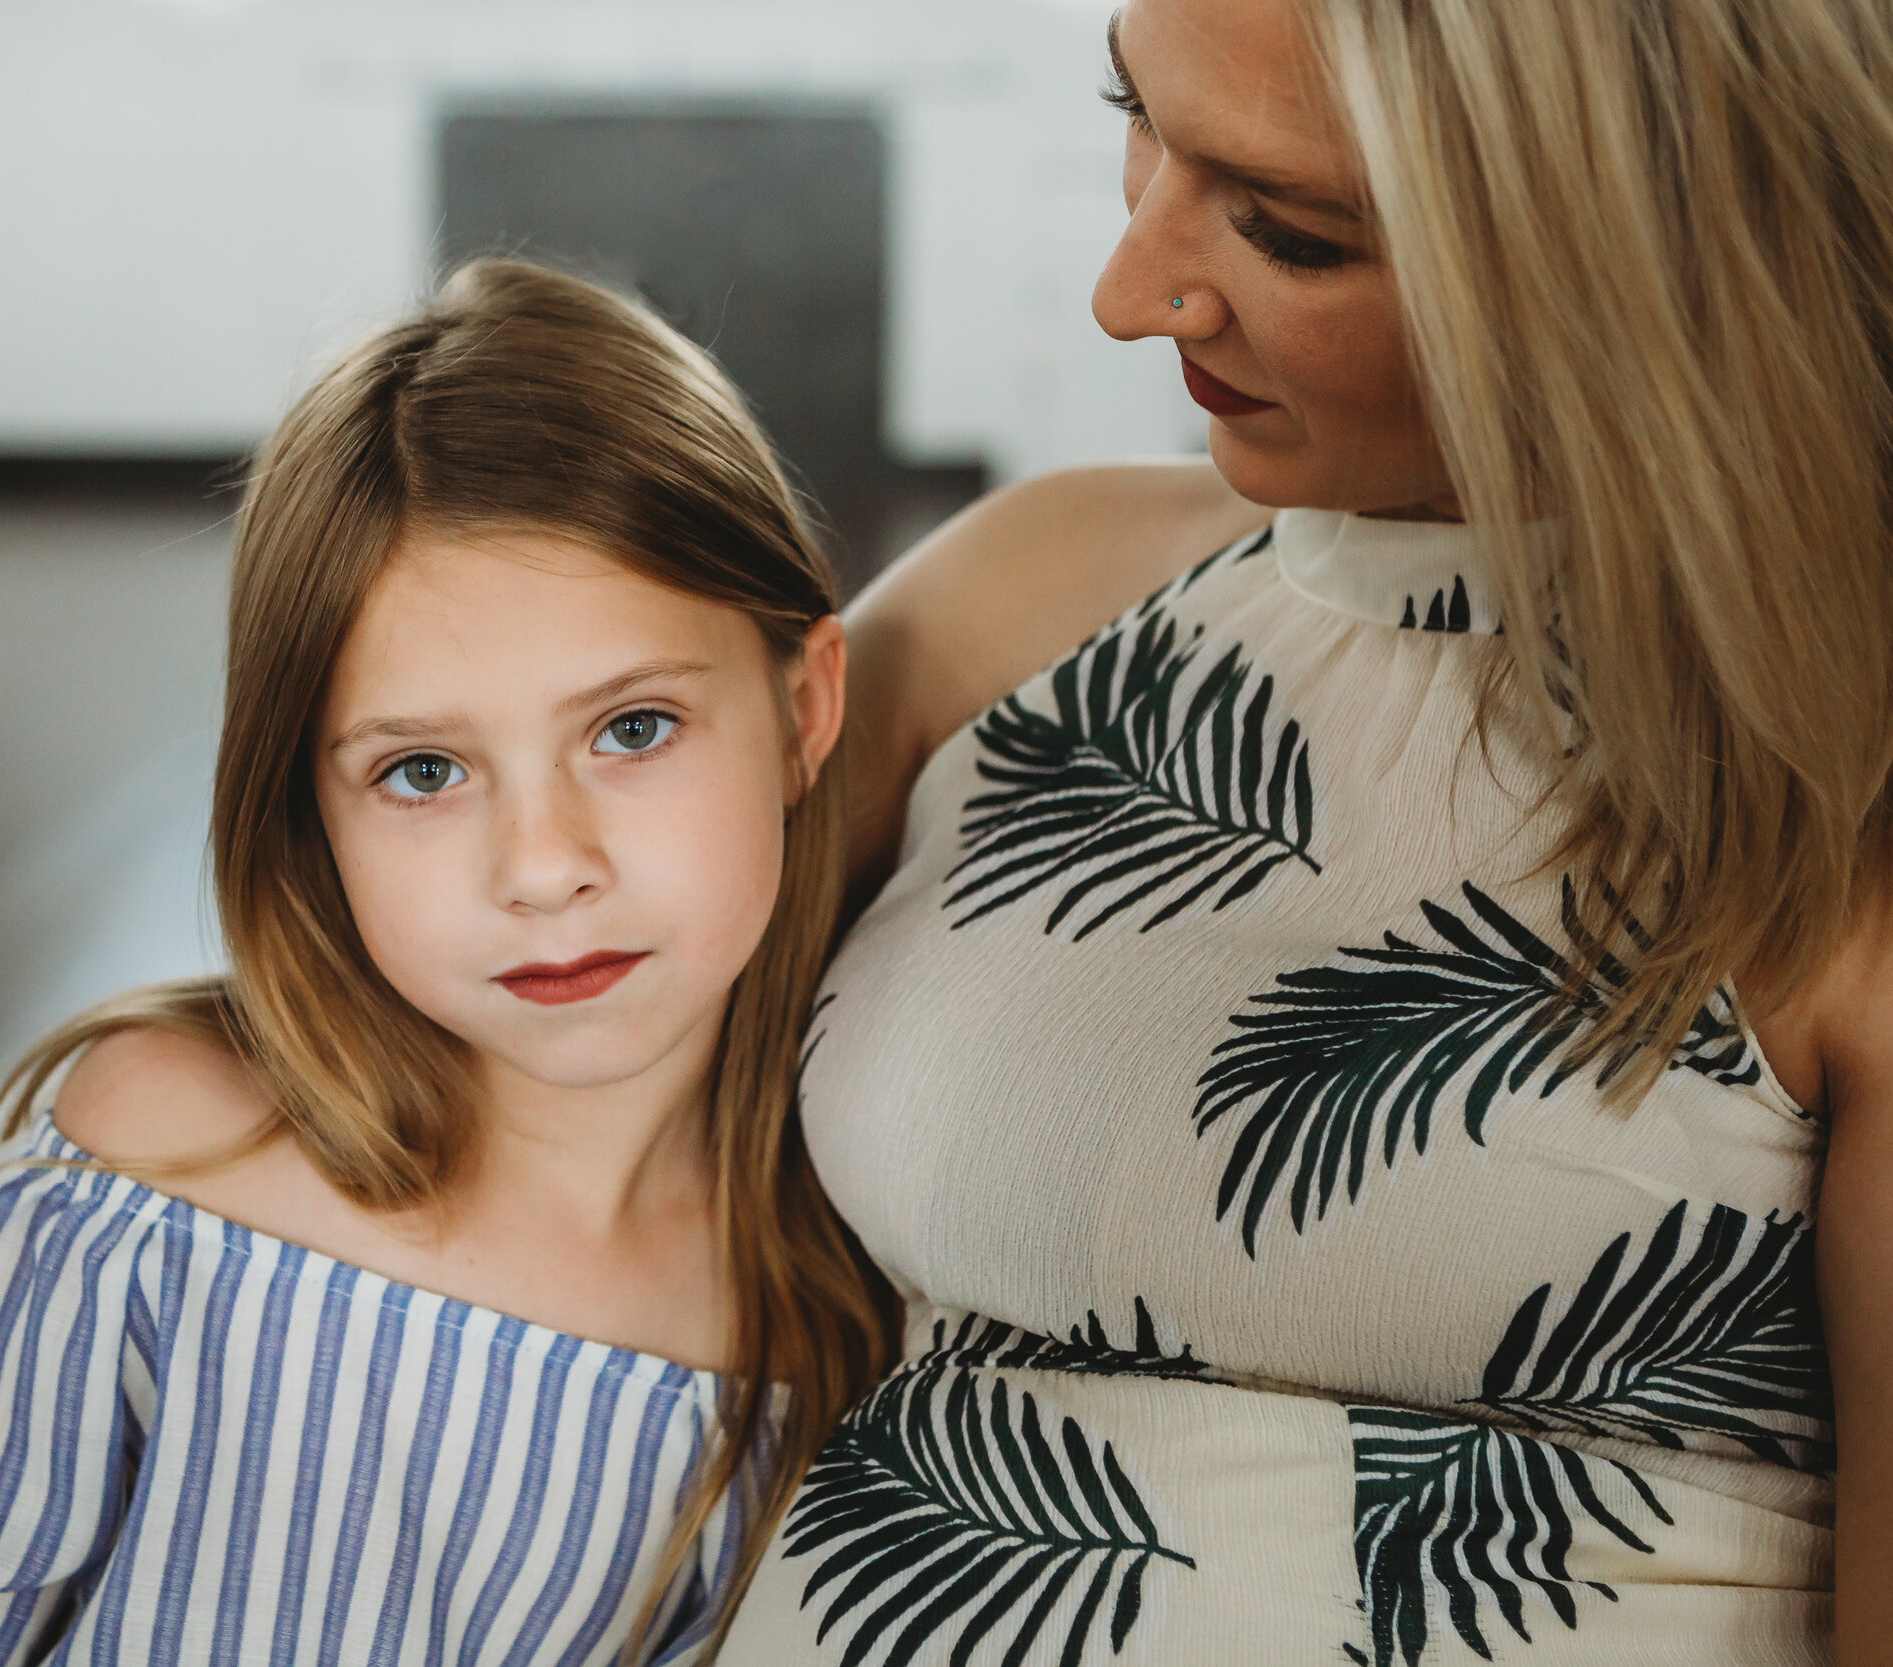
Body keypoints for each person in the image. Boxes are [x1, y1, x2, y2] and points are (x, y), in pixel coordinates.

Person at [724, 0, 1893, 1662]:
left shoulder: (1842, 805)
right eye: (1135, 112)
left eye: (1291, 230)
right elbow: (452, 1063)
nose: (1128, 293)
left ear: (1650, 260)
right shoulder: (1026, 609)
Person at [0, 260, 895, 1667]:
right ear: (311, 805)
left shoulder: (817, 1330)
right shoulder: (165, 1166)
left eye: (631, 730)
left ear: (804, 710)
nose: (543, 865)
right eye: (425, 769)